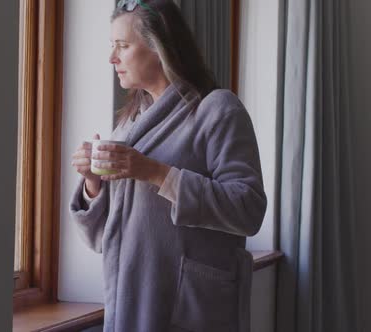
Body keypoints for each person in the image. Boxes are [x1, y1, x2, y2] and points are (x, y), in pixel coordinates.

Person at [69, 1, 266, 331]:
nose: (111, 58)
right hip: (130, 301)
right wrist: (93, 183)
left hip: (191, 307)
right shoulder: (129, 125)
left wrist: (154, 172)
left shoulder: (216, 109)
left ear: (160, 48)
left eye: (122, 46)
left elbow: (248, 209)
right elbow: (106, 237)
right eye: (111, 46)